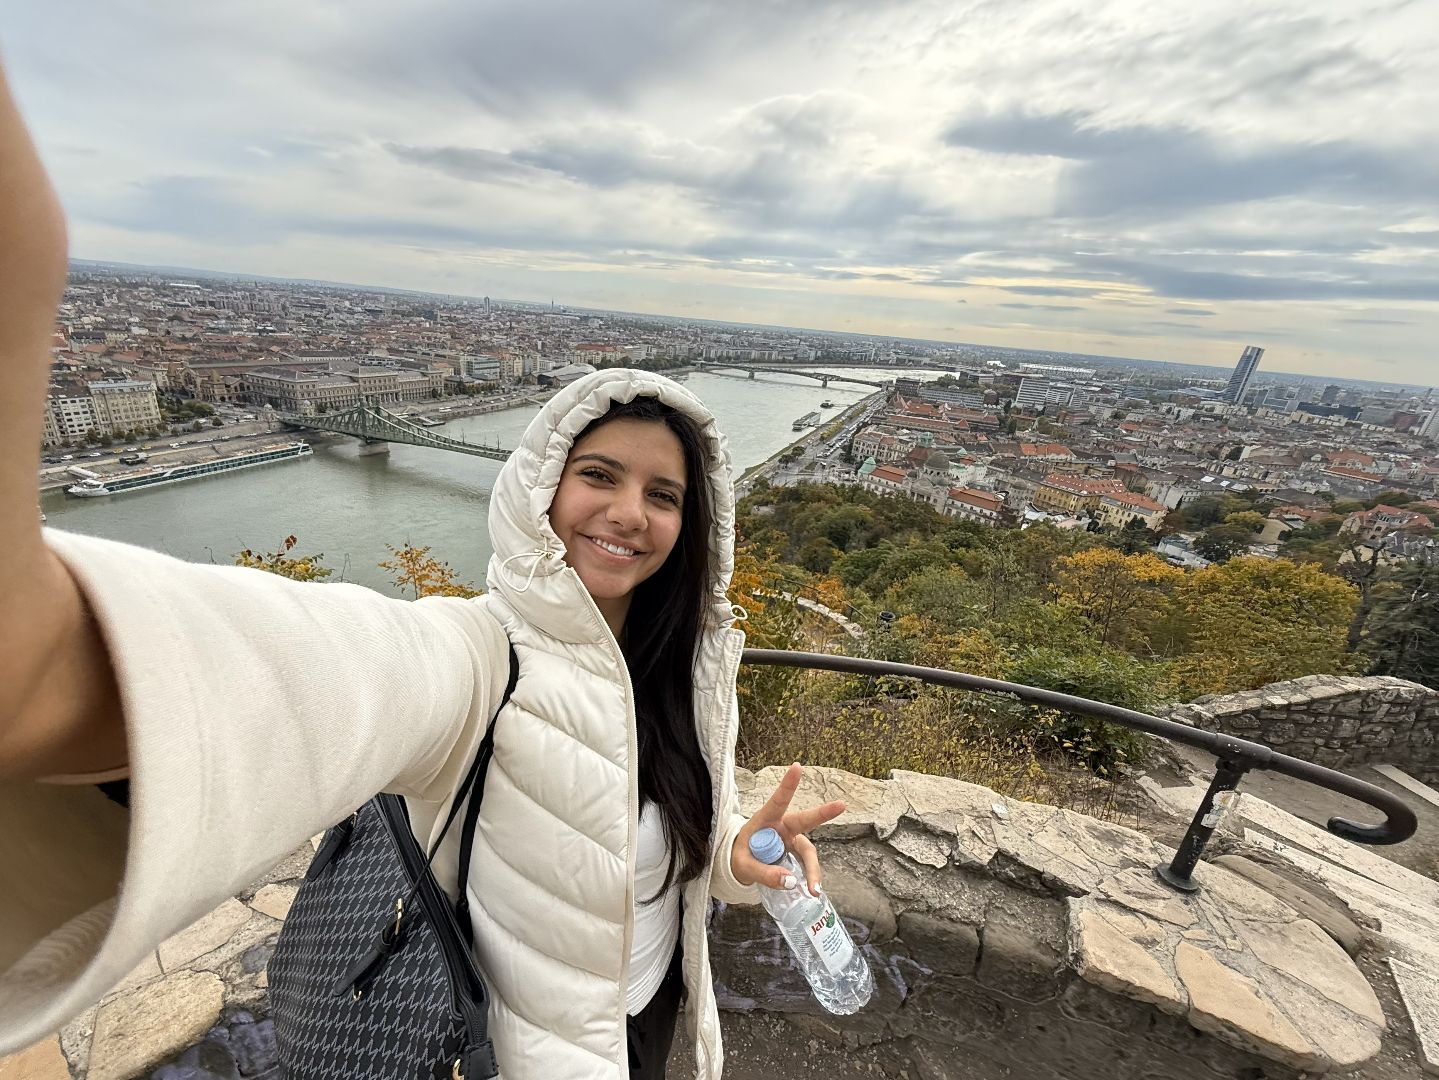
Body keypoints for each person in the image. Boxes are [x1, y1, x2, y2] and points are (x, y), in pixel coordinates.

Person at [0, 69, 845, 1080]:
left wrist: (736, 859)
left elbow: (654, 854)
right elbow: (284, 677)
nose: (630, 511)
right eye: (597, 476)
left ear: (691, 523)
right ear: (538, 489)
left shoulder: (683, 665)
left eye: (663, 494)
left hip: (656, 1025)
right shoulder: (471, 660)